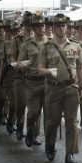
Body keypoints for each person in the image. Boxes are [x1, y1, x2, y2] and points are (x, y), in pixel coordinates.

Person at [38, 13, 82, 163]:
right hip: (53, 89)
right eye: (58, 26)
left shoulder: (75, 45)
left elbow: (80, 67)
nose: (62, 28)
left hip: (71, 88)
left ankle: (70, 154)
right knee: (53, 121)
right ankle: (50, 145)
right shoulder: (46, 47)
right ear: (53, 28)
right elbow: (40, 69)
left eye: (64, 25)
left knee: (72, 122)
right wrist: (48, 72)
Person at [17, 14, 48, 146]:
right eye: (37, 26)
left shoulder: (51, 42)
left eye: (42, 26)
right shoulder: (26, 44)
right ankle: (29, 131)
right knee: (33, 112)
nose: (40, 28)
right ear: (33, 28)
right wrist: (26, 63)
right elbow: (19, 63)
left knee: (49, 115)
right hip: (32, 82)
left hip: (48, 82)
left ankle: (46, 142)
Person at [11, 11, 35, 141]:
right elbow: (12, 57)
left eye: (31, 24)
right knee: (20, 105)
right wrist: (17, 65)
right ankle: (19, 125)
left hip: (35, 77)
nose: (29, 26)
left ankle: (32, 133)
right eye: (26, 23)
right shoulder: (17, 39)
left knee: (34, 108)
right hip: (20, 77)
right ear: (23, 24)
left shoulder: (39, 39)